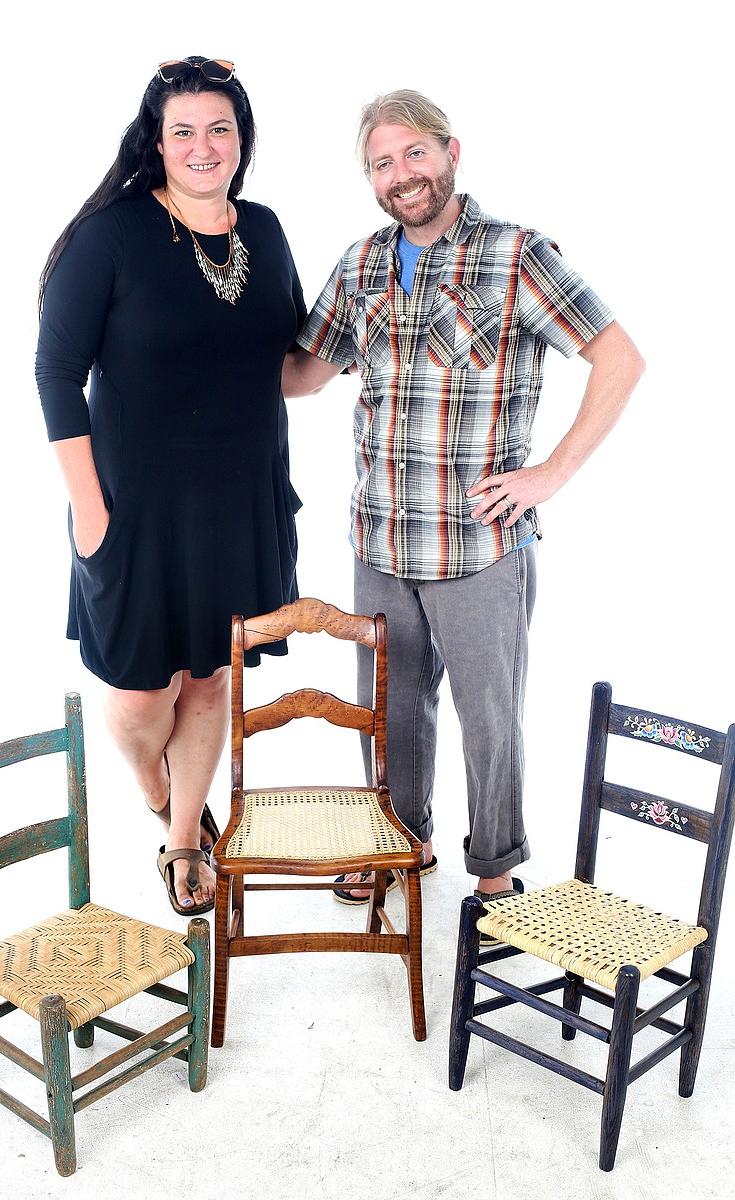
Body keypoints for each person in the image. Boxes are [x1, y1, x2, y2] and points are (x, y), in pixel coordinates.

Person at [282, 89, 644, 907]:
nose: (401, 174)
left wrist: (550, 473)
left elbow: (620, 358)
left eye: (415, 153)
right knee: (390, 710)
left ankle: (496, 865)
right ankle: (401, 844)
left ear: (451, 152)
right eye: (383, 162)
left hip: (480, 542)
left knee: (490, 718)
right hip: (380, 539)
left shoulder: (517, 254)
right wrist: (212, 350)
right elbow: (303, 371)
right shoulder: (362, 264)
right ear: (370, 179)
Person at [36, 57, 305, 915]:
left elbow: (289, 369)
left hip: (241, 503)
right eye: (184, 129)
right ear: (157, 141)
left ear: (242, 140)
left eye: (219, 128)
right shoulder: (110, 236)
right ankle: (159, 796)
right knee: (142, 696)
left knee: (212, 679)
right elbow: (54, 374)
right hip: (135, 513)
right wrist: (89, 508)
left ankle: (185, 841)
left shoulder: (264, 228)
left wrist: (367, 340)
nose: (203, 145)